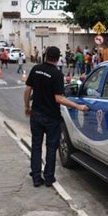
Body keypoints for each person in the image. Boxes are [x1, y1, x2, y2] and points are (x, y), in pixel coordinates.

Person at [23, 46, 88, 187]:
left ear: (46, 56)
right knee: (52, 147)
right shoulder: (57, 74)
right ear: (58, 58)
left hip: (36, 115)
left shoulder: (36, 69)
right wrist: (78, 106)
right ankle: (48, 178)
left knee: (36, 146)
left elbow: (28, 89)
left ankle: (36, 177)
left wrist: (27, 106)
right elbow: (59, 98)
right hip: (51, 117)